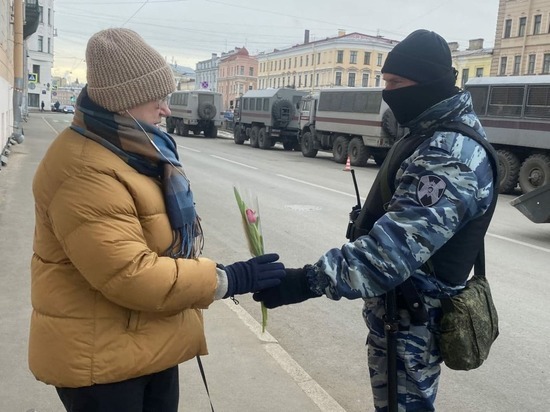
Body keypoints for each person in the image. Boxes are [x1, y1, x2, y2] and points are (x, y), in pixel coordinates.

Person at [29, 28, 285, 412]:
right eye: (157, 99)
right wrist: (227, 279)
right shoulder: (83, 170)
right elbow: (130, 275)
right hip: (101, 360)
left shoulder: (128, 148)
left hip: (140, 342)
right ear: (123, 101)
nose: (166, 109)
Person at [254, 29, 498, 411]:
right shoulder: (428, 133)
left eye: (396, 83)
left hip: (415, 319)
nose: (389, 93)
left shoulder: (450, 156)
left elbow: (391, 253)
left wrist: (304, 281)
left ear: (429, 83)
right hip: (400, 312)